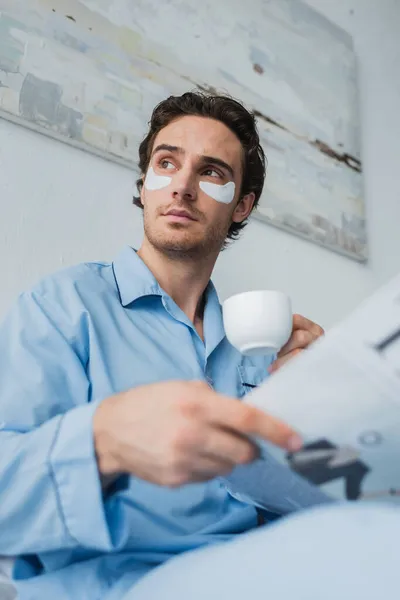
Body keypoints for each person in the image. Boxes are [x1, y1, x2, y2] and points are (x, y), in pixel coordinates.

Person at [0, 91, 325, 600]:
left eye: (212, 172)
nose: (182, 185)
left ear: (242, 205)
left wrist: (325, 405)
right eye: (167, 162)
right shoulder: (61, 307)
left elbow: (312, 504)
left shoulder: (261, 349)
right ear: (146, 184)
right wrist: (101, 442)